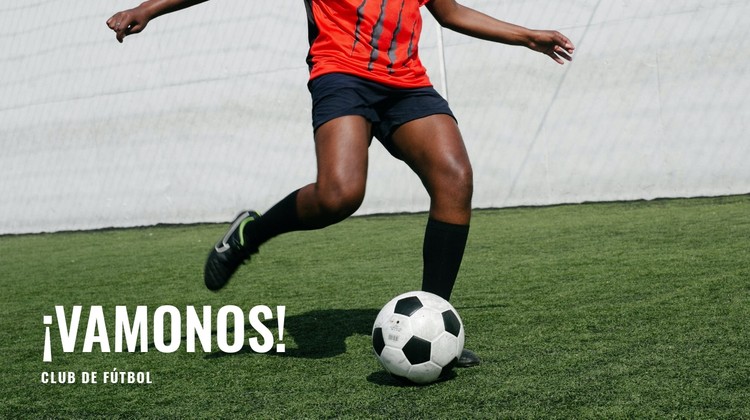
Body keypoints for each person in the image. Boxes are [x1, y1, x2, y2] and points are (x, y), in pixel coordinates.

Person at [107, 0, 574, 368]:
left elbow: (449, 12)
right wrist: (146, 9)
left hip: (407, 83)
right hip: (342, 75)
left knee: (455, 179)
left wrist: (525, 36)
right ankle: (251, 233)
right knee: (340, 194)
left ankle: (433, 323)